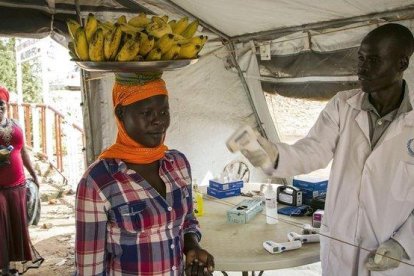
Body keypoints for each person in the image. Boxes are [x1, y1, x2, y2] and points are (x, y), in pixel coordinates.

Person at [239, 23, 414, 276]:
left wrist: (403, 244)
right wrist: (274, 155)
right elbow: (313, 151)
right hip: (339, 252)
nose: (362, 68)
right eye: (361, 58)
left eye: (374, 60)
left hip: (390, 260)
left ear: (401, 64)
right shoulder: (343, 105)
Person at [75, 74, 215, 276]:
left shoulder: (178, 164)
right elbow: (89, 269)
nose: (158, 121)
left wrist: (191, 245)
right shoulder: (98, 181)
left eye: (163, 111)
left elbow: (187, 221)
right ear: (121, 113)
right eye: (147, 112)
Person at [0, 86, 40, 276]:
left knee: (17, 226)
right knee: (1, 228)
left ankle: (11, 265)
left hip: (18, 185)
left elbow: (23, 150)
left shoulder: (15, 124)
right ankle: (4, 268)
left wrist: (33, 172)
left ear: (6, 105)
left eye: (1, 104)